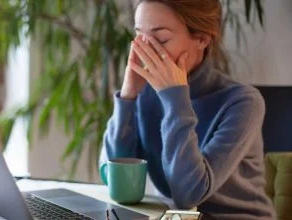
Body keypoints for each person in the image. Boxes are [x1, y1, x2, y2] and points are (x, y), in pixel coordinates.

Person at [100, 0, 276, 219]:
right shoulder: (146, 93)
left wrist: (175, 98)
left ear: (201, 39)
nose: (146, 50)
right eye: (139, 36)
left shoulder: (243, 103)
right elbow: (112, 177)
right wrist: (128, 96)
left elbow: (189, 194)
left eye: (161, 39)